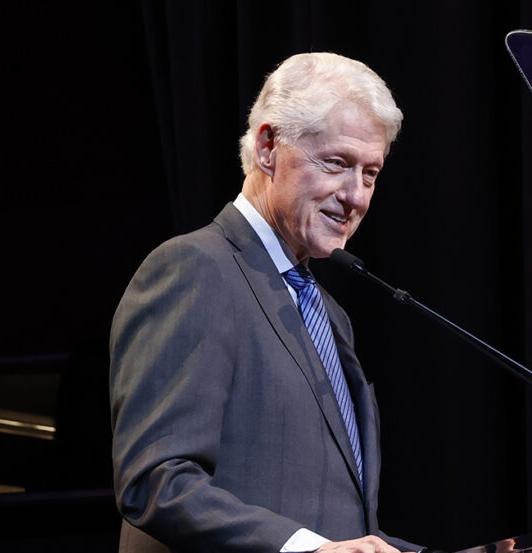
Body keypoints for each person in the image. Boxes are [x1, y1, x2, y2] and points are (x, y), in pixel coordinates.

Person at [110, 52, 424, 553]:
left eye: (370, 174)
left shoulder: (329, 314)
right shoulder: (195, 269)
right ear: (267, 148)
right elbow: (156, 481)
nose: (355, 196)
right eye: (338, 163)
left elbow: (340, 525)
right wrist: (309, 550)